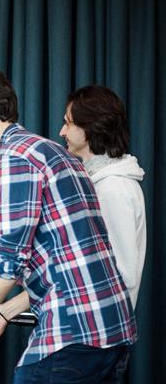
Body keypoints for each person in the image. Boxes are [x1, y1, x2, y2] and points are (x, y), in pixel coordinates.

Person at [0, 66, 136, 383]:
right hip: (113, 333)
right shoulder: (56, 153)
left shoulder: (13, 158)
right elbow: (66, 263)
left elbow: (7, 264)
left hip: (73, 335)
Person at [60, 85, 146, 308]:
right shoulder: (103, 182)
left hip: (99, 331)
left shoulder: (113, 188)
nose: (62, 132)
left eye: (68, 123)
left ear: (90, 127)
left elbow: (120, 274)